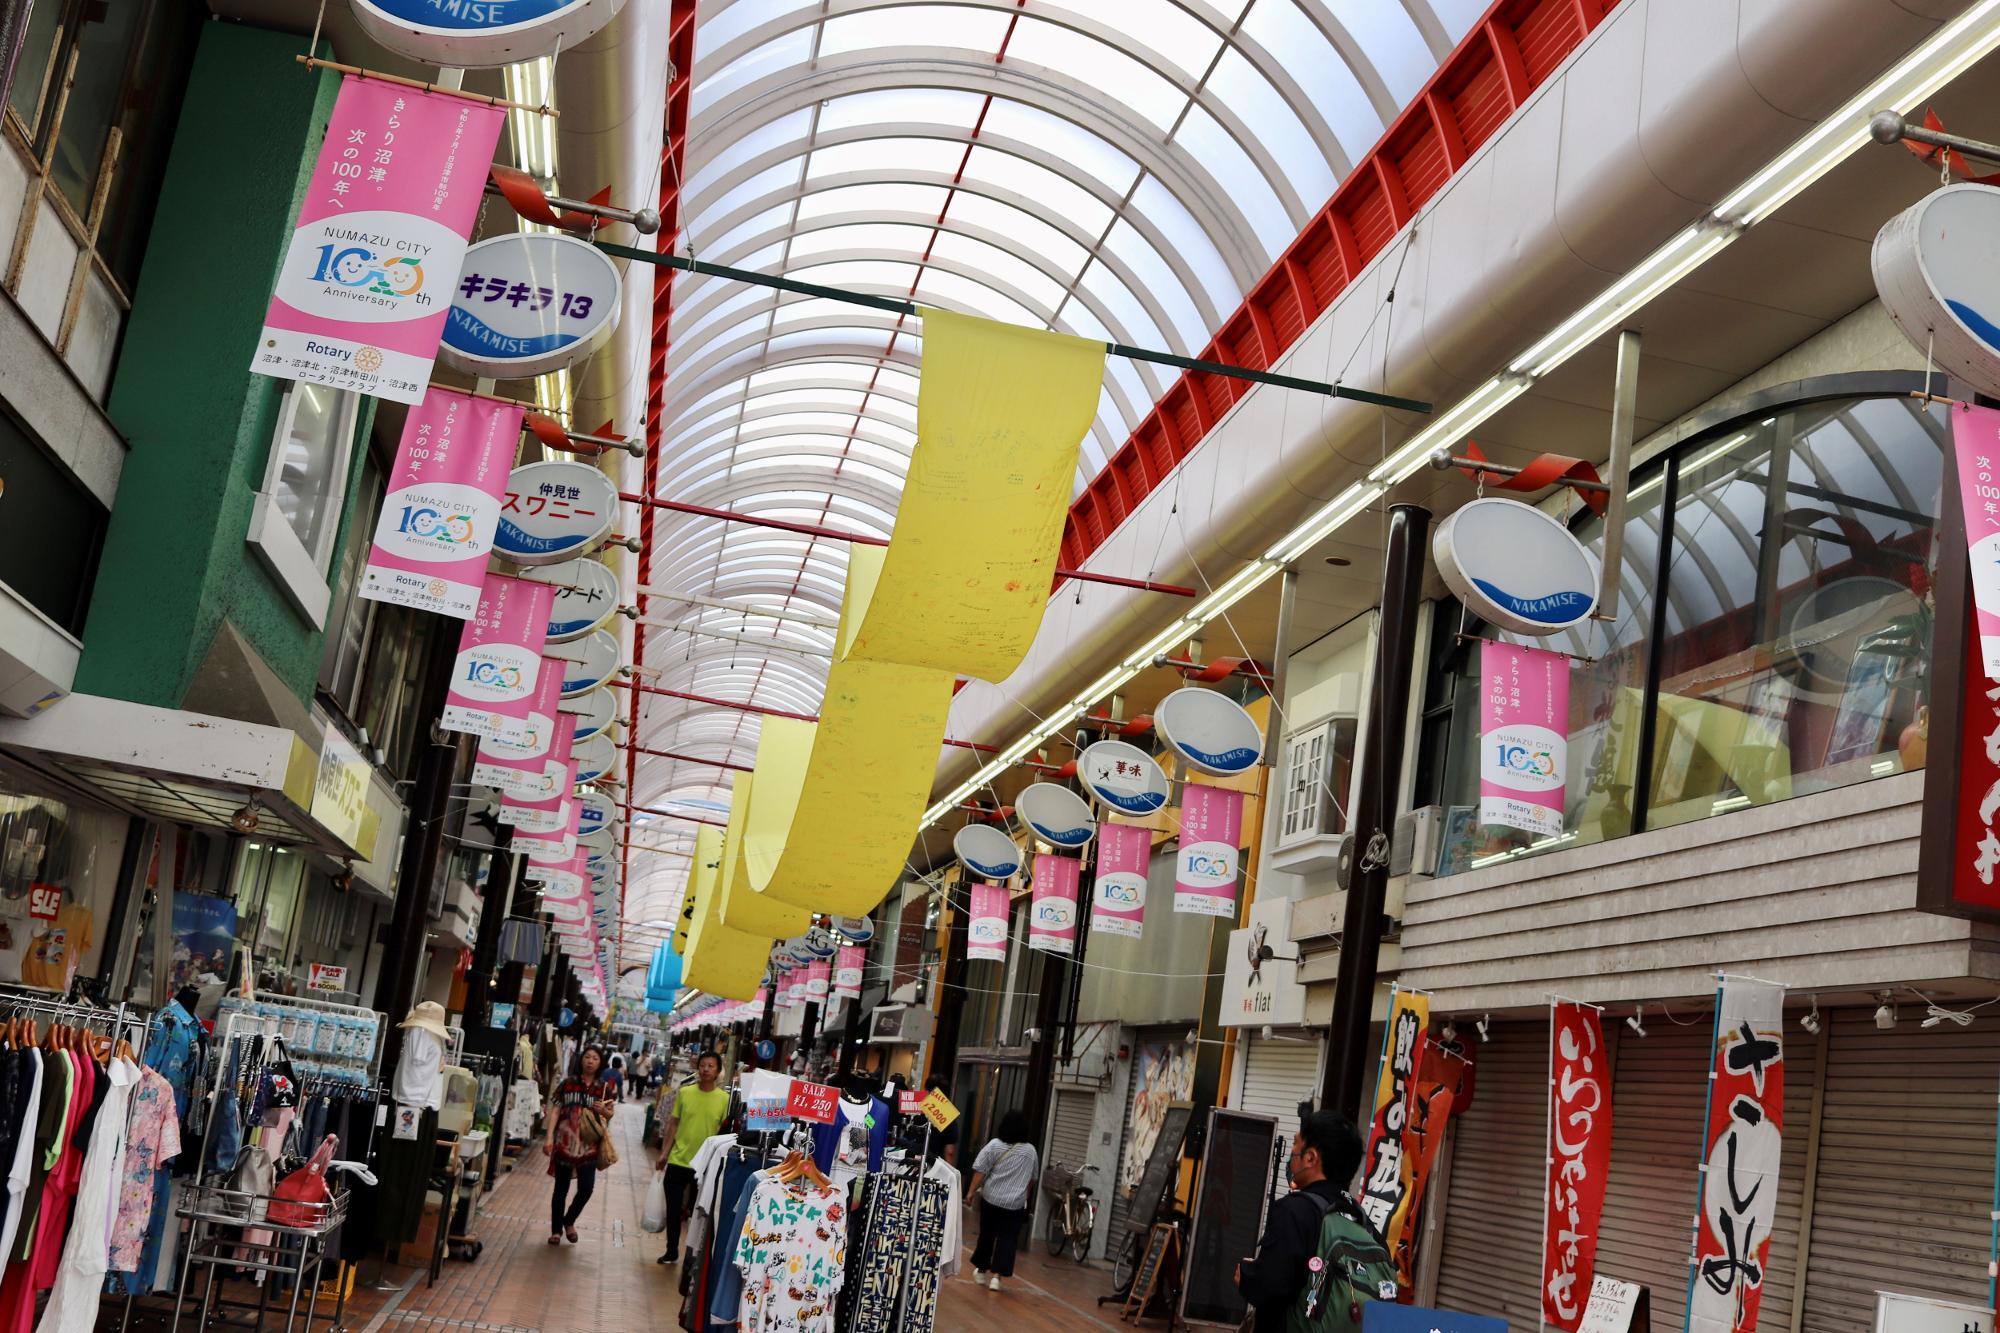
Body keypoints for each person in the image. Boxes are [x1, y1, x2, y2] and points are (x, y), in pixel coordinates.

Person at [1236, 1110, 1389, 1331]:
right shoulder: (1365, 1224)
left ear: (1310, 1158)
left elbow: (1269, 1287)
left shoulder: (1295, 1211)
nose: (1292, 1153)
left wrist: (1246, 1277)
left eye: (1296, 1145)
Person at [657, 1050, 730, 1266]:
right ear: (697, 1068)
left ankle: (693, 1255)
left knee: (698, 1213)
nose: (706, 1069)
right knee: (673, 1209)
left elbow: (725, 1133)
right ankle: (671, 1250)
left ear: (718, 1071)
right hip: (679, 1159)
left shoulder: (725, 1100)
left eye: (711, 1066)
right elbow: (673, 1123)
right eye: (703, 1065)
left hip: (706, 1165)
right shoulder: (685, 1093)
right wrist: (664, 1153)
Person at [543, 1045, 616, 1246]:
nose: (590, 1061)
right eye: (587, 1057)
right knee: (561, 1189)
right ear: (581, 1060)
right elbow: (555, 1111)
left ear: (600, 1063)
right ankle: (556, 1230)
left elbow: (610, 1115)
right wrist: (549, 1137)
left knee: (586, 1188)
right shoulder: (568, 1083)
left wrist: (605, 1111)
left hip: (589, 1146)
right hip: (564, 1144)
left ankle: (569, 1221)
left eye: (595, 1058)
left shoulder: (603, 1088)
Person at [967, 1109, 1038, 1292]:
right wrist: (1024, 1196)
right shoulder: (1030, 1151)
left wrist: (970, 1192)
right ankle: (997, 1278)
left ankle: (982, 1270)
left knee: (987, 1234)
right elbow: (1032, 1179)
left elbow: (980, 1171)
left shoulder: (994, 1145)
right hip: (1015, 1203)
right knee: (1007, 1239)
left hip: (991, 1198)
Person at [921, 1075, 960, 1166]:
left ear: (926, 1089)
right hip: (933, 1165)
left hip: (909, 1160)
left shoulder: (915, 1105)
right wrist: (950, 1172)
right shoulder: (947, 1112)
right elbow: (949, 1151)